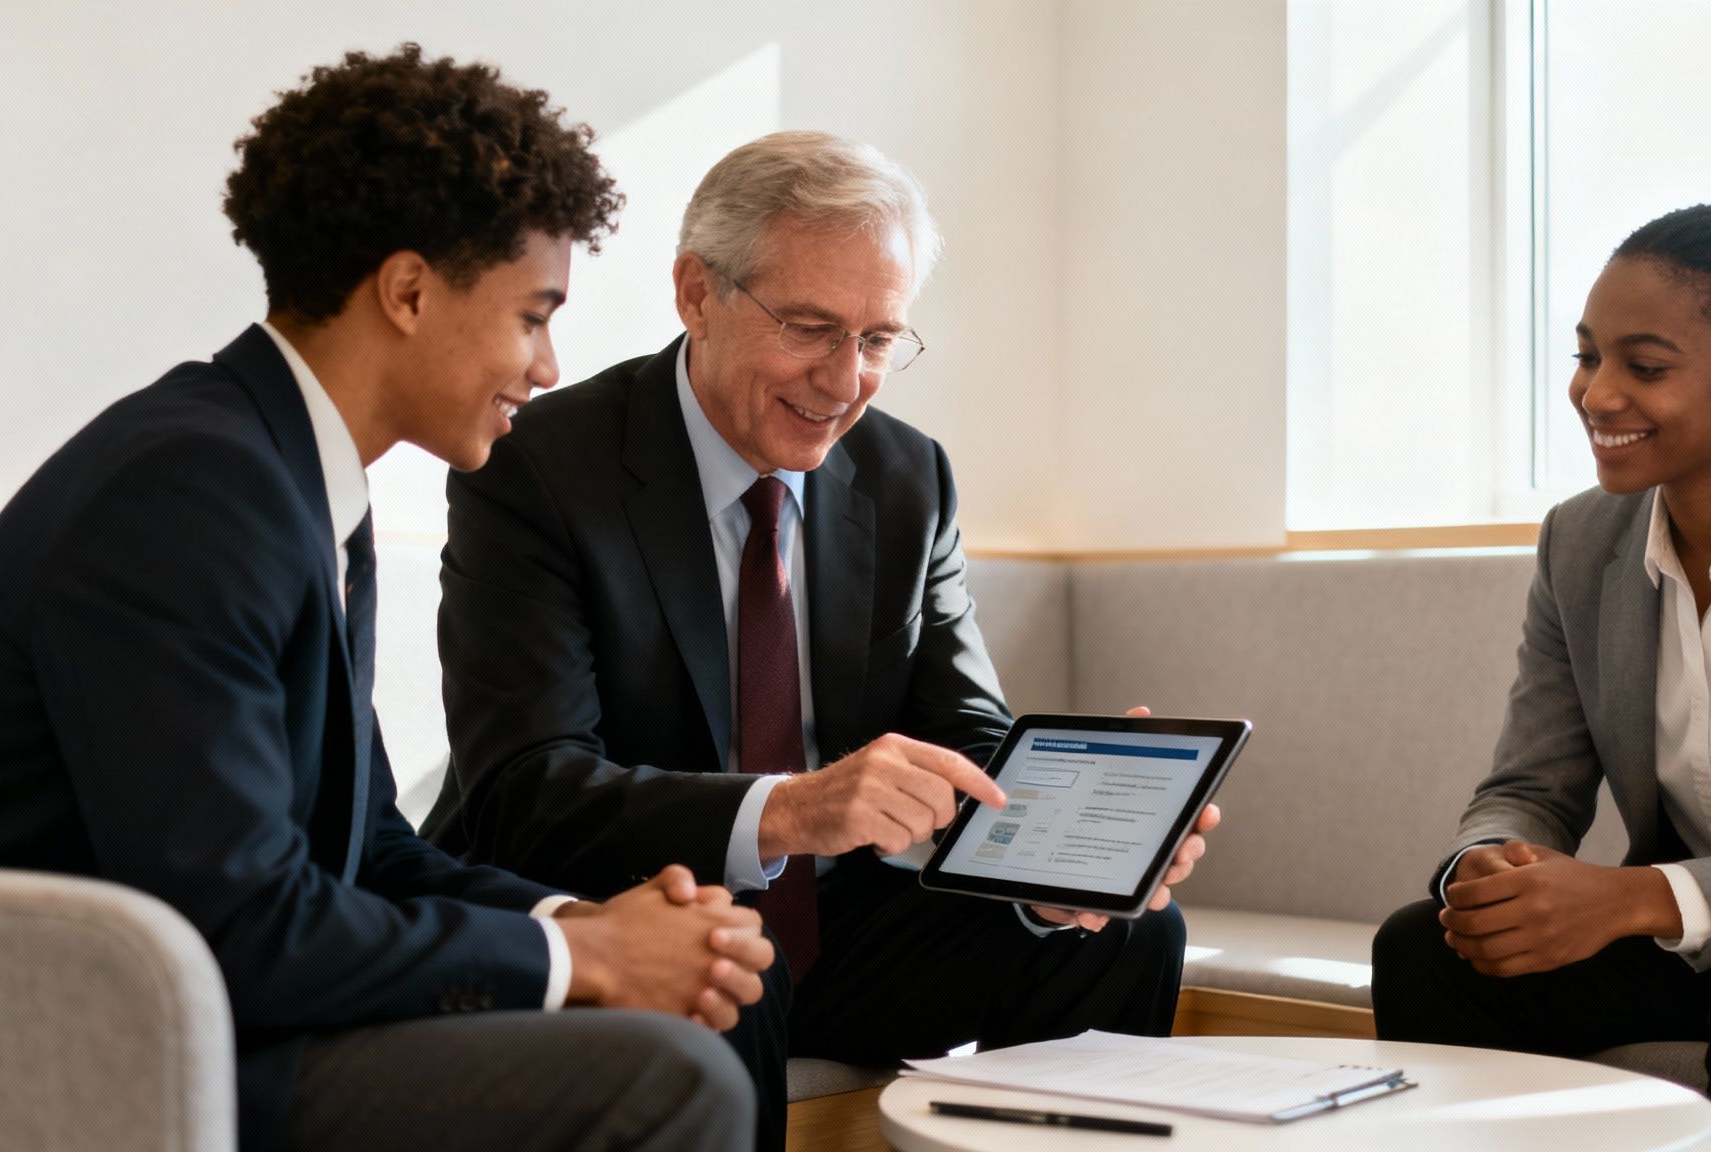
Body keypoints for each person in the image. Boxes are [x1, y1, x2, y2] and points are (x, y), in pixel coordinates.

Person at [0, 45, 773, 1152]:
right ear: (410, 291)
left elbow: (365, 844)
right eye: (532, 315)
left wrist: (575, 921)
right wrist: (588, 963)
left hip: (190, 1010)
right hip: (44, 1047)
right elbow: (237, 922)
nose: (550, 364)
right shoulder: (191, 494)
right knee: (666, 1080)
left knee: (693, 1043)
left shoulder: (288, 479)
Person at [424, 130, 1214, 1147]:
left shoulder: (905, 477)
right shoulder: (539, 467)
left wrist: (1059, 845)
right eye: (810, 327)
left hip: (841, 930)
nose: (845, 380)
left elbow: (962, 722)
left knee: (1119, 935)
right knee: (727, 953)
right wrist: (787, 812)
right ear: (695, 294)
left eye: (879, 338)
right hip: (626, 914)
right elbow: (523, 791)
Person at [1371, 203, 1711, 1151]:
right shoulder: (1582, 540)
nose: (1596, 394)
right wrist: (1487, 865)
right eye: (1586, 355)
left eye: (1643, 367)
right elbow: (1530, 786)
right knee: (1426, 947)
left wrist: (1634, 897)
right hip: (1692, 935)